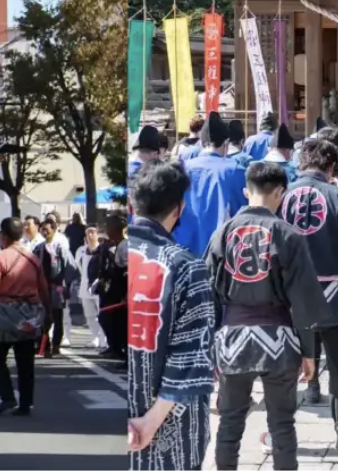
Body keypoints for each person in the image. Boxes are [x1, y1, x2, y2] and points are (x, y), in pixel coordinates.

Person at [206, 162, 330, 470]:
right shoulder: (288, 235)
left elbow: (207, 294)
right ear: (280, 193)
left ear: (247, 191)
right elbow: (302, 299)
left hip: (233, 337)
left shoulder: (222, 233)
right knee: (282, 424)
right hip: (279, 337)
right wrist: (309, 352)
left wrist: (209, 348)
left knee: (230, 423)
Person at [279, 136, 338, 455]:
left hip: (289, 296)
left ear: (300, 163)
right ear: (332, 166)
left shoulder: (279, 197)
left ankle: (279, 436)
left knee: (283, 369)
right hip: (335, 293)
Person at [126, 162, 216, 470]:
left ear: (131, 204)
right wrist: (150, 421)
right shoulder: (186, 267)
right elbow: (192, 356)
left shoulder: (115, 257)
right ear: (179, 208)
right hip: (168, 426)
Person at [0, 217, 48, 417]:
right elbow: (43, 289)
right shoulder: (33, 259)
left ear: (3, 237)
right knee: (25, 360)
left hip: (6, 311)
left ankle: (7, 397)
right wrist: (46, 316)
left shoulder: (0, 257)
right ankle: (25, 404)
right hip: (30, 313)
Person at [179, 113, 248, 257]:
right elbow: (242, 212)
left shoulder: (182, 168)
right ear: (226, 143)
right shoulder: (235, 170)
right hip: (220, 251)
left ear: (202, 143)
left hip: (185, 250)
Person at [94, 213, 129, 359]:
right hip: (112, 290)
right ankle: (114, 347)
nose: (106, 230)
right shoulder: (112, 245)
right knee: (107, 319)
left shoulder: (124, 246)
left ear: (114, 229)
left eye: (108, 227)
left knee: (119, 322)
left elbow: (128, 272)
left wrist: (126, 294)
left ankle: (122, 352)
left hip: (121, 291)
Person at [37, 218, 73, 356]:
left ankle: (56, 345)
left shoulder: (60, 246)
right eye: (43, 230)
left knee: (57, 317)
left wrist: (65, 285)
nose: (45, 232)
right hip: (42, 286)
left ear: (54, 229)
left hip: (57, 286)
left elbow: (69, 266)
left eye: (47, 229)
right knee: (44, 317)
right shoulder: (39, 248)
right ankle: (44, 345)